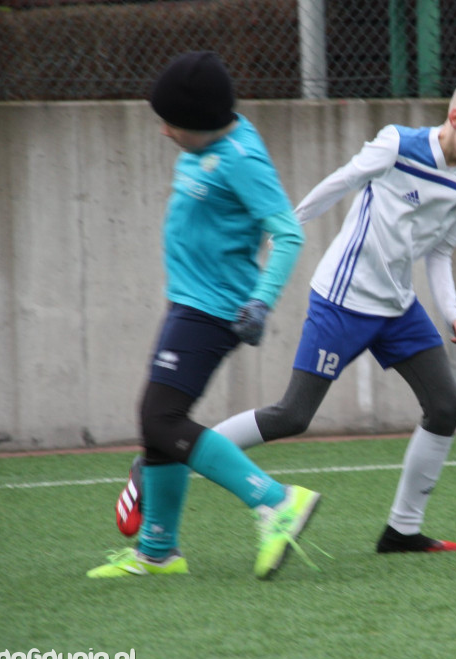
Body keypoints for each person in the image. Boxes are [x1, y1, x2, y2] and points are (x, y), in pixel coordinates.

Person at [116, 69, 456, 555]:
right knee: (292, 415)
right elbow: (342, 181)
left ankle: (402, 531)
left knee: (447, 407)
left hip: (398, 308)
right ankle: (168, 455)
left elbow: (440, 251)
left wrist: (452, 310)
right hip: (341, 300)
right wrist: (288, 225)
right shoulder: (398, 145)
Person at [88, 51, 320, 581]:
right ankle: (157, 553)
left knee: (160, 418)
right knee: (156, 425)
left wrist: (261, 301)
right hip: (188, 301)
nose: (165, 131)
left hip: (214, 309)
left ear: (202, 122)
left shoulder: (242, 159)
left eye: (173, 123)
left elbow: (288, 234)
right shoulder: (208, 140)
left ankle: (275, 500)